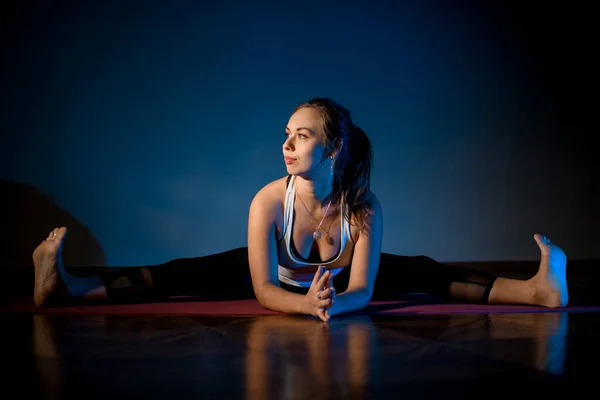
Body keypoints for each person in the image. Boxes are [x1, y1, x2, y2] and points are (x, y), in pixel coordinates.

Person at [32, 98, 569, 322]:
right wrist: (304, 306)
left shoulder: (363, 209)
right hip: (285, 282)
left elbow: (361, 289)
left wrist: (335, 303)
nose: (288, 145)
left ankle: (536, 290)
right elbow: (264, 290)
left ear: (334, 150)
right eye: (287, 135)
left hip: (331, 288)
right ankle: (69, 288)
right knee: (185, 273)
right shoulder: (269, 200)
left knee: (421, 271)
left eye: (303, 136)